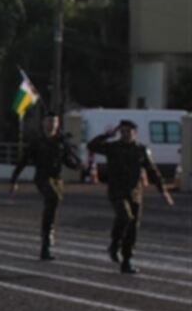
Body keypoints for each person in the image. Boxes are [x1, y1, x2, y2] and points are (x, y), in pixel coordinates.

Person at [87, 120, 173, 274]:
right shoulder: (113, 147)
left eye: (129, 131)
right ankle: (115, 244)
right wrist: (107, 135)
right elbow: (91, 146)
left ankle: (127, 260)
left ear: (135, 133)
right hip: (117, 191)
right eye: (123, 131)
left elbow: (153, 171)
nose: (126, 134)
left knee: (133, 228)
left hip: (135, 193)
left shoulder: (141, 150)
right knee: (125, 217)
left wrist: (163, 191)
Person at [9, 113, 82, 261]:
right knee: (53, 198)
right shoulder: (37, 141)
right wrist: (14, 180)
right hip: (42, 177)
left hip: (57, 179)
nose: (51, 125)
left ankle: (47, 240)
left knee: (53, 204)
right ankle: (47, 237)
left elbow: (68, 161)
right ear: (43, 123)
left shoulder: (61, 141)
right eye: (49, 121)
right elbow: (23, 161)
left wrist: (77, 165)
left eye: (54, 122)